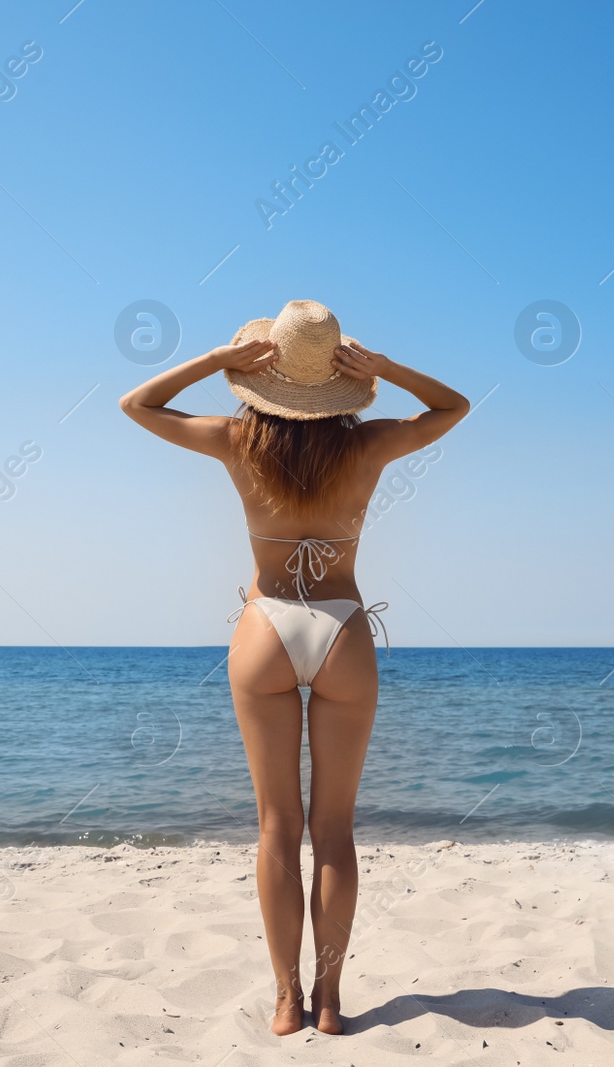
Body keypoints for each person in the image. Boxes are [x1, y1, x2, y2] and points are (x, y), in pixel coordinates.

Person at [119, 299, 469, 1035]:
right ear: (339, 380)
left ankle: (286, 1000)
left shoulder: (236, 441)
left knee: (278, 828)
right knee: (333, 830)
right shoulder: (370, 444)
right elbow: (454, 406)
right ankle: (332, 999)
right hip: (341, 629)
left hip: (266, 628)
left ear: (264, 375)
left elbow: (137, 403)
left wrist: (218, 360)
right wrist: (386, 370)